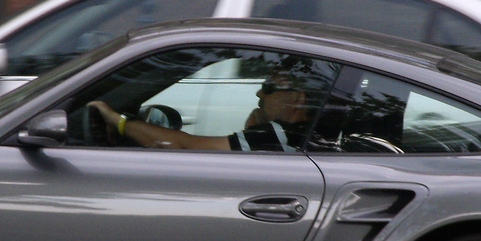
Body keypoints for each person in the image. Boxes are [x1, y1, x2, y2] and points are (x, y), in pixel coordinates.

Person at [89, 66, 319, 152]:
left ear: (298, 98)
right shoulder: (303, 135)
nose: (259, 94)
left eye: (269, 87)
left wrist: (118, 122)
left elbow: (184, 146)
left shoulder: (280, 135)